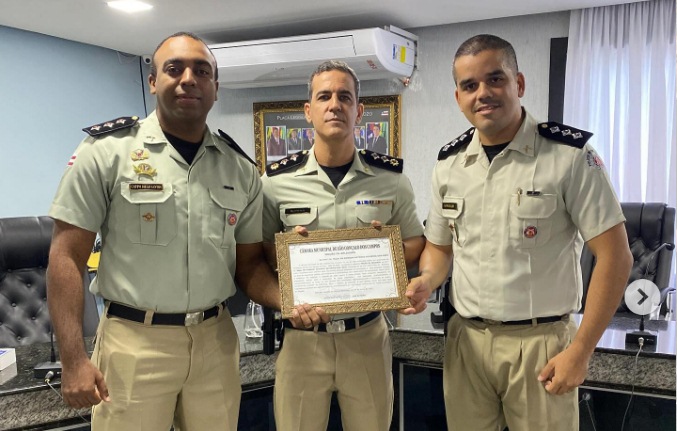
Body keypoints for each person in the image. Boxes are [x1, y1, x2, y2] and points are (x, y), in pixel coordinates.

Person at [46, 31, 279, 430]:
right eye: (174, 69)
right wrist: (73, 360)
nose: (189, 79)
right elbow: (66, 256)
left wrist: (291, 300)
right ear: (153, 81)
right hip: (134, 342)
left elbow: (250, 265)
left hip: (214, 341)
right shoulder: (107, 152)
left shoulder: (240, 169)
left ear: (216, 87)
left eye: (201, 71)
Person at [405, 34, 633, 431]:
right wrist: (427, 280)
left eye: (495, 79)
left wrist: (581, 351)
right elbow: (440, 249)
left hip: (541, 345)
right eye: (469, 85)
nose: (483, 93)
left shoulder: (569, 156)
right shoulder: (449, 165)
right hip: (466, 342)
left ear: (519, 83)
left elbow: (616, 256)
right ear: (458, 97)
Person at [261, 60, 425, 431]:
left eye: (344, 97)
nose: (334, 105)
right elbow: (258, 251)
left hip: (366, 336)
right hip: (302, 341)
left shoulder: (391, 180)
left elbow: (416, 242)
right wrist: (289, 258)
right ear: (308, 111)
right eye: (324, 97)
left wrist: (382, 254)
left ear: (359, 111)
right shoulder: (274, 182)